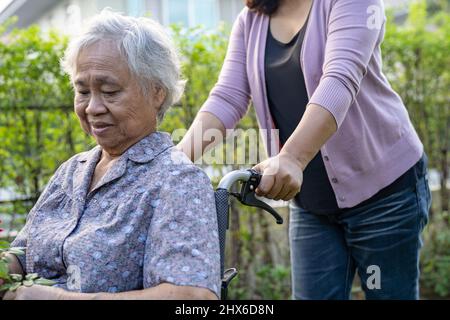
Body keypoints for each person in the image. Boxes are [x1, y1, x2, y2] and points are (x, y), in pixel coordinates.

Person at [177, 0, 431, 299]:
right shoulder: (251, 20)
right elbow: (228, 97)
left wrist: (292, 158)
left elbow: (340, 78)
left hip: (385, 193)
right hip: (312, 204)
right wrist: (175, 162)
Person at [1, 10, 220, 300]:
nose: (92, 107)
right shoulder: (71, 171)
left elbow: (192, 296)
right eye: (82, 91)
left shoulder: (176, 180)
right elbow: (21, 256)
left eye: (109, 91)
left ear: (156, 93)